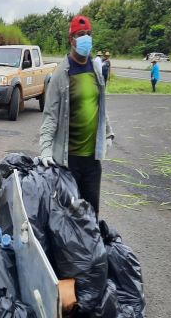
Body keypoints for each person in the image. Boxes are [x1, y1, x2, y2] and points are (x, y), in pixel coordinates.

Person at [38, 15, 114, 218]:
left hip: (92, 160)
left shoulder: (96, 68)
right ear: (71, 39)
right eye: (81, 35)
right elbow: (50, 116)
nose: (86, 39)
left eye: (89, 34)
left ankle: (89, 249)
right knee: (68, 217)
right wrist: (45, 151)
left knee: (90, 215)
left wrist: (108, 133)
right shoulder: (61, 74)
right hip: (68, 161)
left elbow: (100, 105)